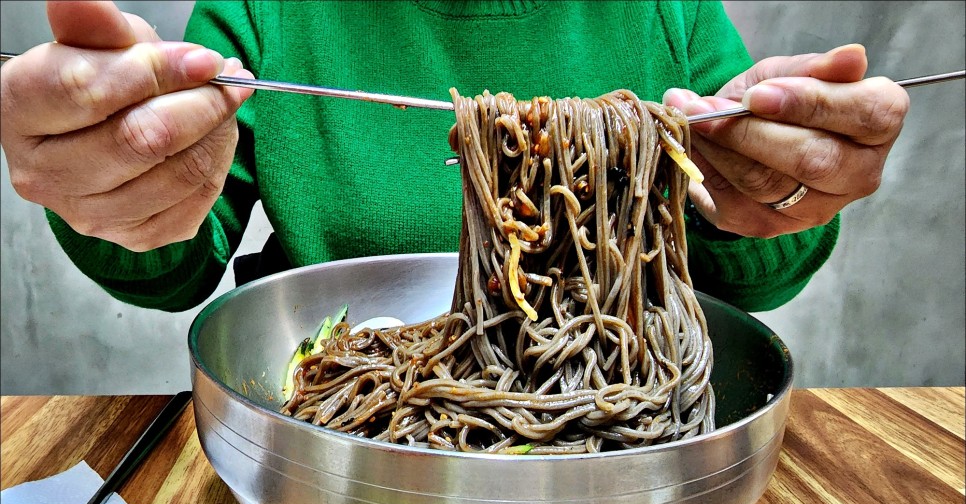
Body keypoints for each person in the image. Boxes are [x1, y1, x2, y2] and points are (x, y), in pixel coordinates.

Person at [0, 1, 909, 313]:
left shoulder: (660, 6)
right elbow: (172, 261)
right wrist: (119, 182)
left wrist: (777, 191)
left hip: (617, 469)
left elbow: (743, 254)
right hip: (335, 451)